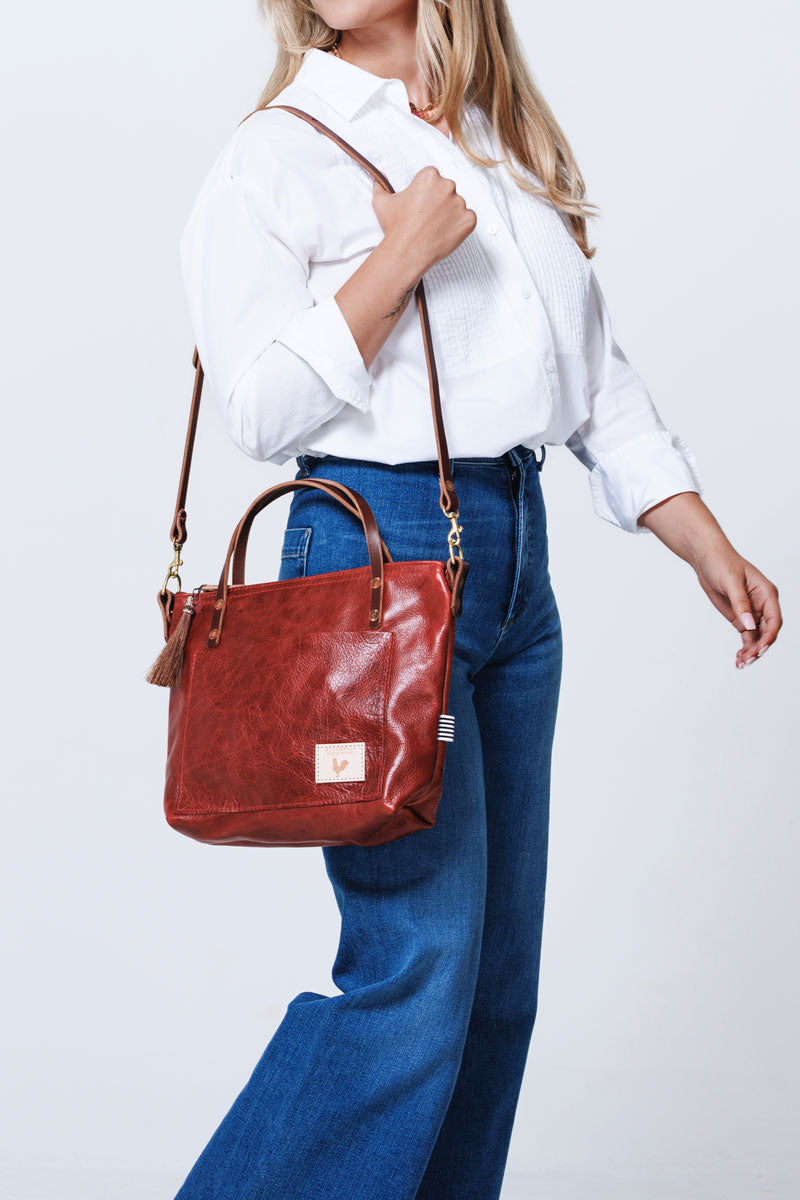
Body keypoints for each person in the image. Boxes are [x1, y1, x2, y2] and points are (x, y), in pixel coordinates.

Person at [173, 3, 782, 1197]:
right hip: (371, 557)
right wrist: (394, 257)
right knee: (415, 970)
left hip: (508, 554)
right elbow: (254, 410)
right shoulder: (278, 149)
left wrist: (693, 529)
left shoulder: (498, 138)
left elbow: (588, 369)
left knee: (495, 984)